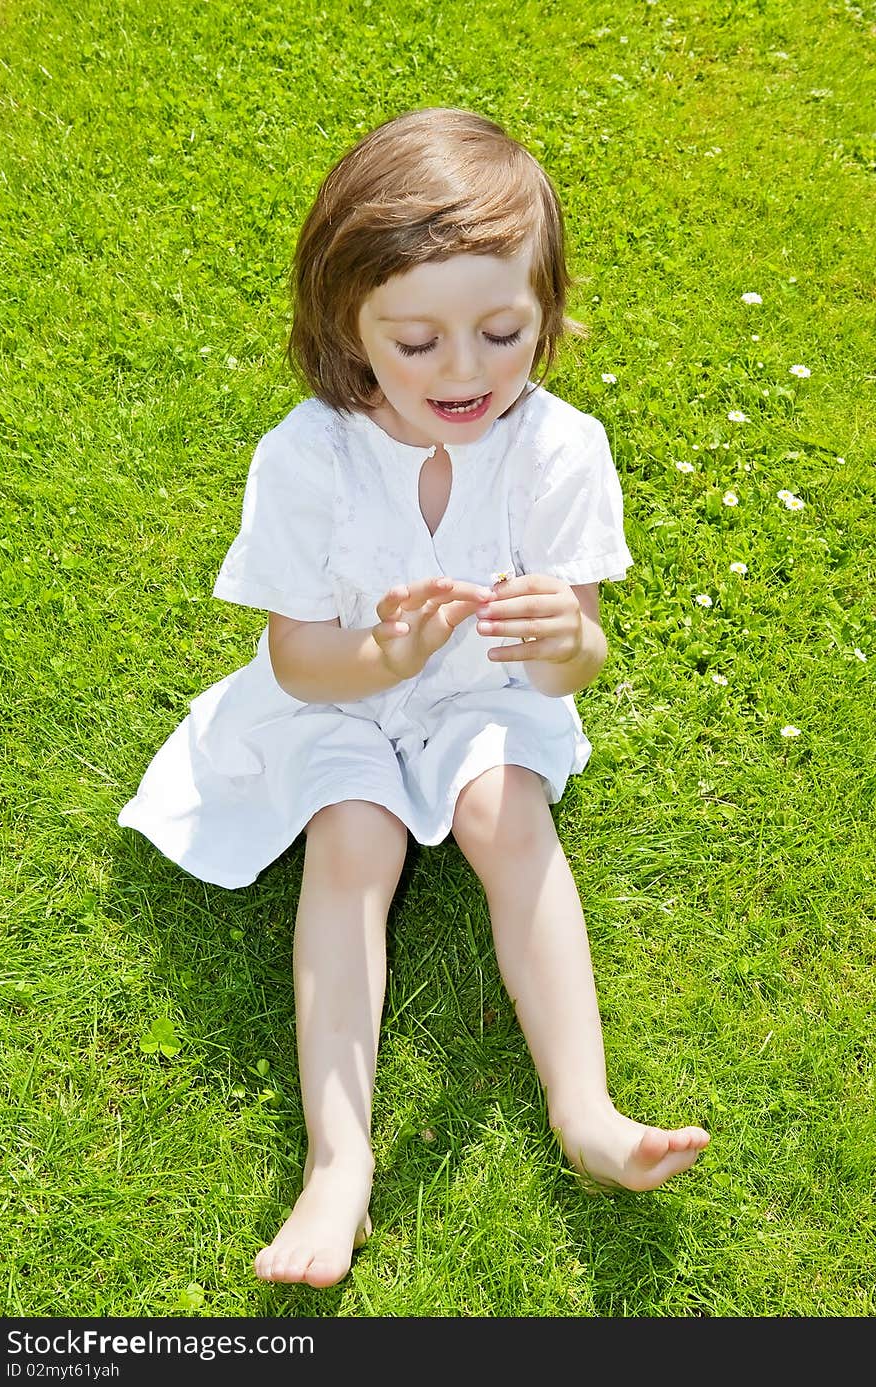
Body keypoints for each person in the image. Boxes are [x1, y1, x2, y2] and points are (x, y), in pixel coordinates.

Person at [118, 106, 710, 1289]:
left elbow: (570, 657)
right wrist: (381, 660)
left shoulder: (558, 451)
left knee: (505, 814)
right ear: (348, 326)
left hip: (484, 695)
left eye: (501, 331)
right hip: (342, 699)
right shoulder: (310, 457)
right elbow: (296, 660)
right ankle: (339, 1164)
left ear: (544, 315)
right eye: (418, 342)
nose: (466, 371)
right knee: (354, 839)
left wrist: (567, 642)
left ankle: (584, 1108)